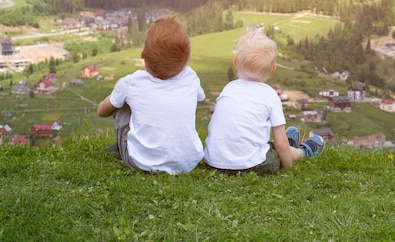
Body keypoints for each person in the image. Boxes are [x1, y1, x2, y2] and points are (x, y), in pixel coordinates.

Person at [204, 30, 324, 175]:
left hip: (213, 163)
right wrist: (288, 168)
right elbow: (280, 142)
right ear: (273, 69)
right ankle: (302, 152)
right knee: (276, 151)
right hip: (249, 166)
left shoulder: (228, 88)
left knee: (267, 145)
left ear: (235, 63)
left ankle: (287, 147)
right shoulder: (270, 95)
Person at [97, 14, 205, 175]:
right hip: (188, 163)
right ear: (185, 59)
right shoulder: (191, 77)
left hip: (140, 162)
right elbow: (200, 97)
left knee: (123, 100)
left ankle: (124, 147)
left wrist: (119, 88)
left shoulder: (132, 82)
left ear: (143, 55)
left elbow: (102, 111)